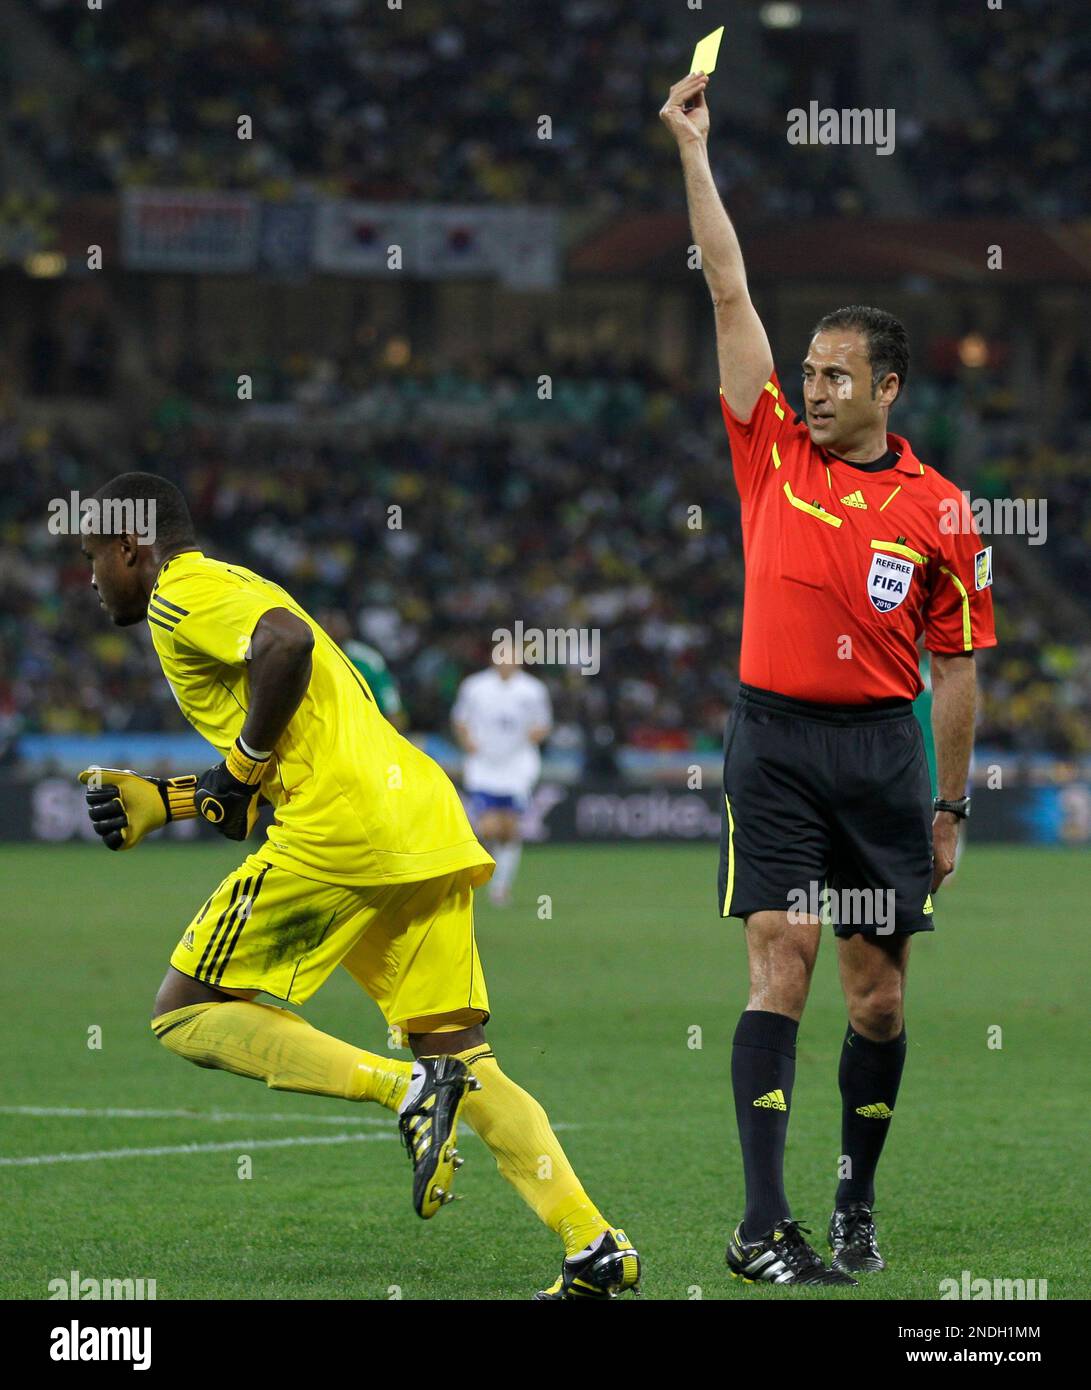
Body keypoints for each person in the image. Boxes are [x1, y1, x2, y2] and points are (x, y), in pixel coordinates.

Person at [78, 472, 639, 1301]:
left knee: (184, 1011)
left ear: (130, 546)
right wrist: (170, 800)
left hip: (343, 828)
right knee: (459, 1050)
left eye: (93, 556)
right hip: (418, 814)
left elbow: (285, 651)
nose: (89, 578)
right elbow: (287, 725)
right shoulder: (236, 583)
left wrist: (238, 767)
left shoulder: (180, 592)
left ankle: (404, 1091)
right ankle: (591, 1245)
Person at [660, 72, 996, 1285]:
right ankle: (761, 1225)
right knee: (779, 956)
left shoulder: (942, 512)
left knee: (874, 1005)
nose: (812, 385)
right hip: (774, 746)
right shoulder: (768, 450)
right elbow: (728, 283)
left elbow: (954, 671)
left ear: (888, 387)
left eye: (836, 375)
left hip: (879, 761)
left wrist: (948, 805)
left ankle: (853, 1204)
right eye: (808, 368)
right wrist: (694, 156)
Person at [452, 654, 552, 908]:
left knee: (509, 829)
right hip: (484, 766)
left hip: (517, 768)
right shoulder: (475, 686)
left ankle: (501, 887)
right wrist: (468, 742)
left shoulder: (533, 689)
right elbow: (460, 720)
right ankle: (475, 874)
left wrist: (526, 740)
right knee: (488, 829)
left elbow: (543, 724)